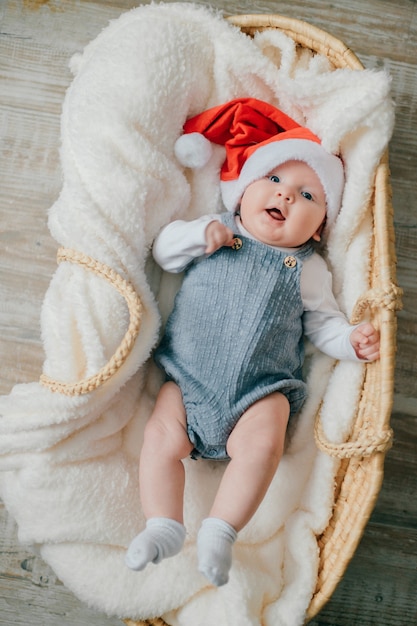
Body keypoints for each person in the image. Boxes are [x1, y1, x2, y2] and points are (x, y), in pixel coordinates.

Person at [125, 98, 380, 586]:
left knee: (265, 440)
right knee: (160, 437)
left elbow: (323, 325)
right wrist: (200, 233)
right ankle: (164, 525)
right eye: (276, 181)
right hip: (188, 383)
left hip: (259, 394)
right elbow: (163, 253)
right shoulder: (214, 232)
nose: (286, 197)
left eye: (309, 196)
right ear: (241, 193)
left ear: (322, 226)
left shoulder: (309, 268)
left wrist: (351, 340)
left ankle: (222, 529)